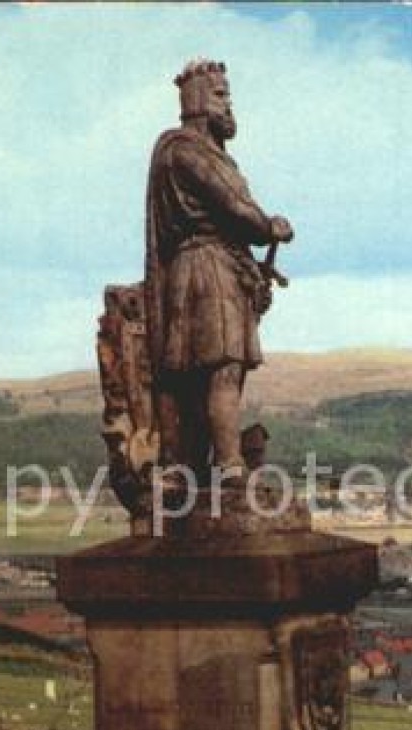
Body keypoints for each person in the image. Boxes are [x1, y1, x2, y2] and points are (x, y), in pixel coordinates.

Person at [145, 58, 294, 479]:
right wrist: (270, 227)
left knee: (209, 373)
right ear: (197, 100)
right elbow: (234, 207)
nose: (229, 105)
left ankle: (204, 462)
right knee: (221, 367)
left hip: (203, 268)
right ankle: (229, 465)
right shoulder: (187, 151)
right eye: (220, 95)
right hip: (208, 270)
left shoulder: (189, 152)